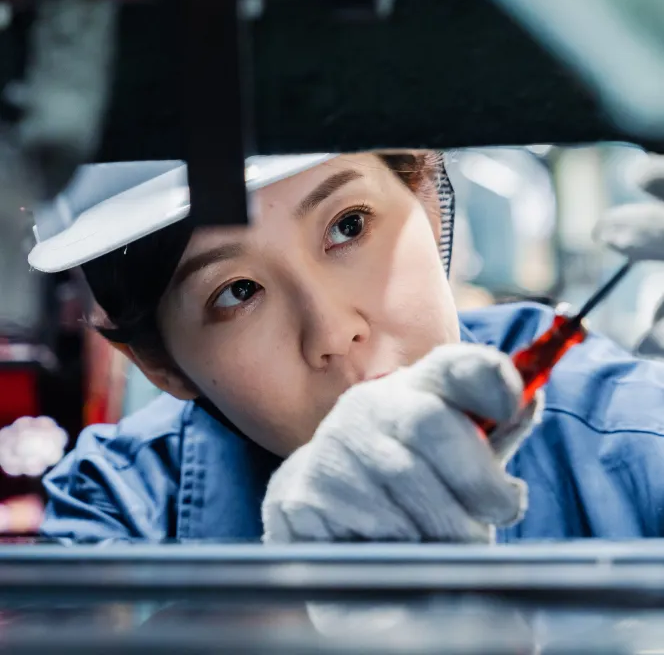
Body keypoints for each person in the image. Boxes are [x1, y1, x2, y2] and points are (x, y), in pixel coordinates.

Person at [28, 150, 664, 543]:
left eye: (349, 225)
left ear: (428, 204)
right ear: (163, 367)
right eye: (237, 291)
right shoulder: (118, 513)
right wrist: (297, 610)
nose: (332, 332)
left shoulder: (635, 442)